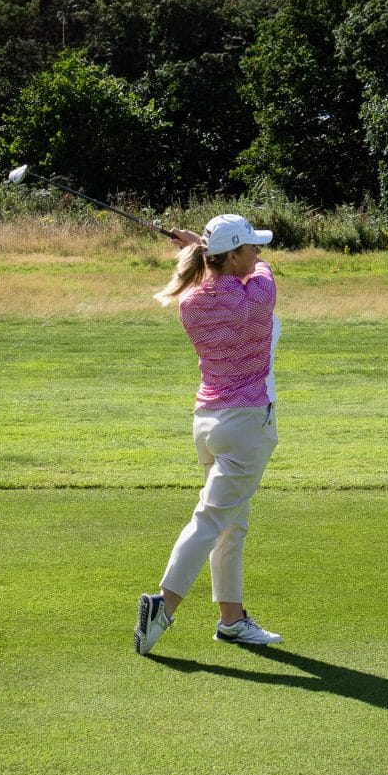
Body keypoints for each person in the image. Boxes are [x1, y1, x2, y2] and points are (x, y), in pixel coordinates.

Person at [133, 213, 283, 656]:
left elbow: (220, 269)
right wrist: (201, 246)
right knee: (211, 520)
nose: (259, 253)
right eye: (251, 247)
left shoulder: (191, 301)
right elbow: (263, 271)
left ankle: (231, 620)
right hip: (246, 426)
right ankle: (165, 604)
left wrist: (199, 249)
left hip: (207, 423)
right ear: (233, 255)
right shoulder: (258, 293)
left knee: (231, 525)